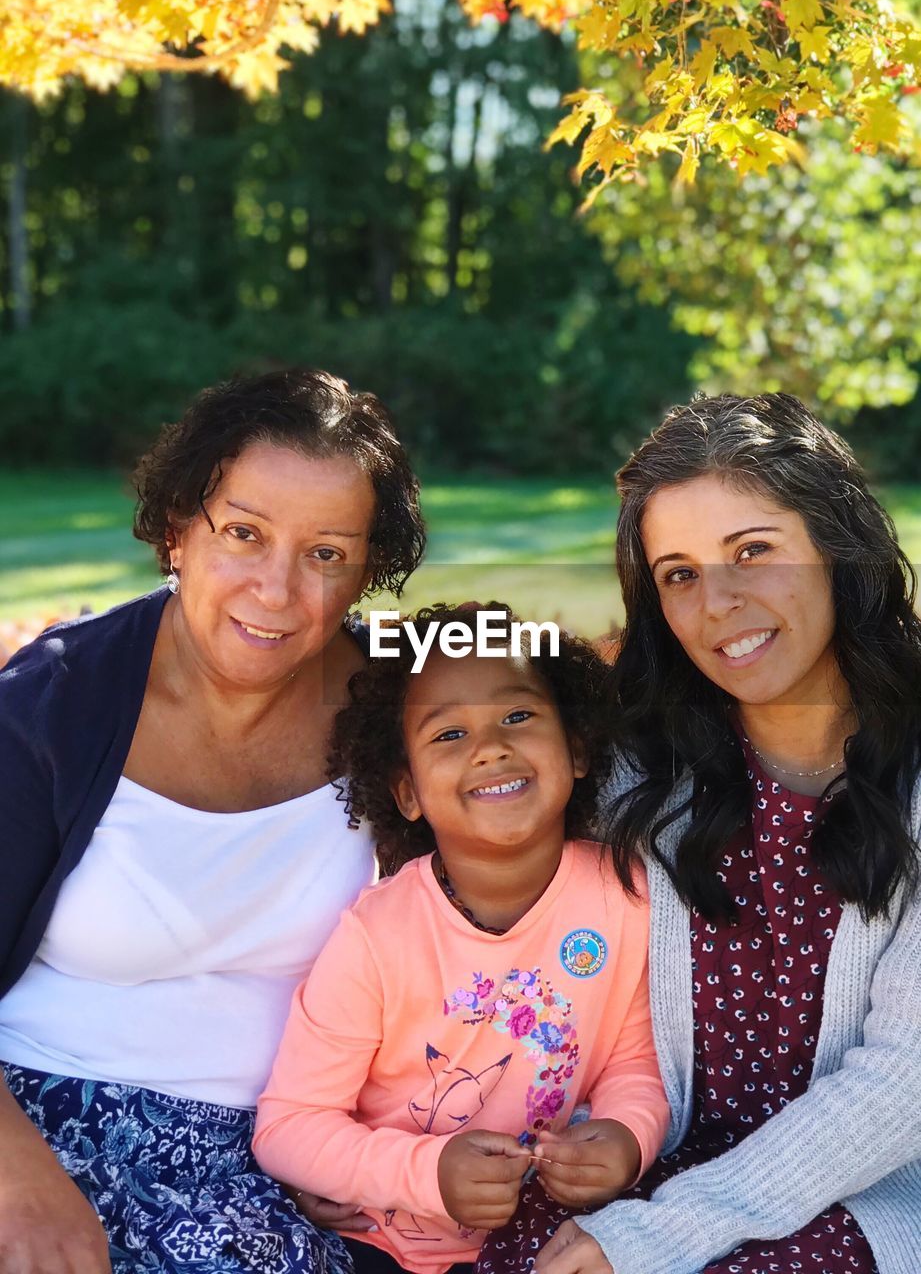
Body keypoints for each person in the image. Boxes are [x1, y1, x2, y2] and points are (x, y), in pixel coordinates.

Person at [480, 393, 921, 1274]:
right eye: (677, 573)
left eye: (752, 552)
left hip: (863, 1191)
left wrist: (660, 1234)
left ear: (837, 546)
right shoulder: (637, 765)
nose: (716, 603)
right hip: (649, 1159)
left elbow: (900, 1088)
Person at [0, 368, 426, 1274]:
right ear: (175, 530)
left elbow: (551, 668)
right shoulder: (49, 708)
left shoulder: (405, 691)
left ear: (363, 574)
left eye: (325, 554)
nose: (275, 589)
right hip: (39, 1124)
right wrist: (20, 1182)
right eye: (243, 533)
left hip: (296, 1154)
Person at [252, 605, 671, 1274]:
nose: (489, 747)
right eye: (448, 733)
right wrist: (427, 1172)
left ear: (578, 749)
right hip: (384, 1247)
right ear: (407, 791)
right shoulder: (376, 937)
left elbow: (635, 1064)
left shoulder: (626, 899)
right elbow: (289, 1127)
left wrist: (625, 1137)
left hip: (558, 1242)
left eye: (516, 717)